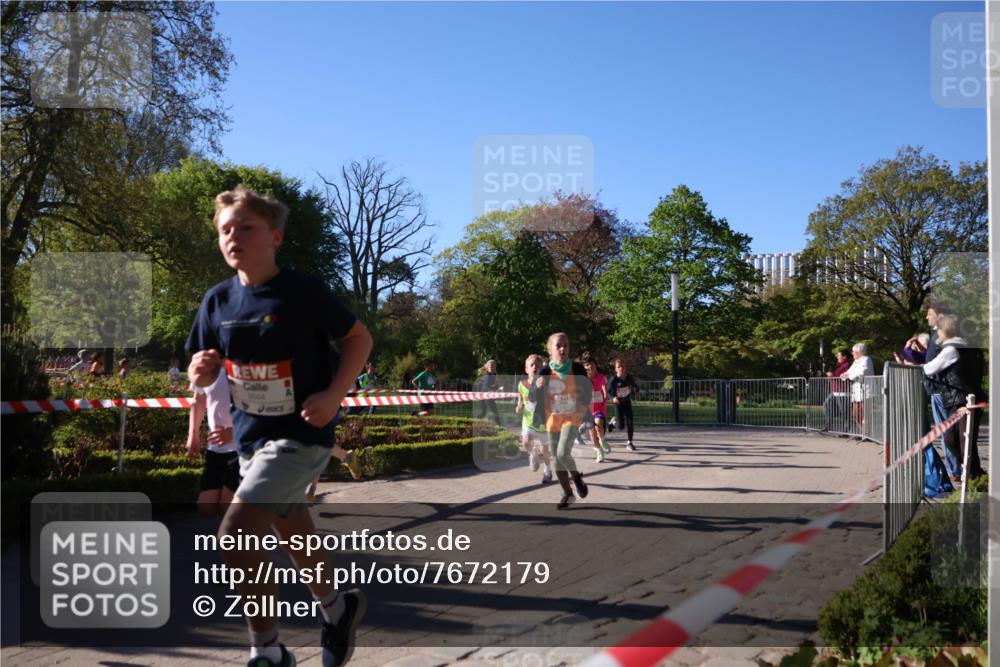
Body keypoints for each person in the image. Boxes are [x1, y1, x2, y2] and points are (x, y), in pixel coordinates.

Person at [186, 185, 373, 667]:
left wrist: (334, 395)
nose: (234, 236)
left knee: (235, 534)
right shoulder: (216, 301)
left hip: (302, 435)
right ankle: (338, 609)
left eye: (245, 227)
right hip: (251, 440)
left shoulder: (301, 291)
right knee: (296, 535)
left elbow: (358, 338)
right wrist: (200, 372)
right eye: (225, 229)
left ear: (275, 236)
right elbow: (203, 366)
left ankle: (267, 650)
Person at [528, 332, 591, 509]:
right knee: (555, 459)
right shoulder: (545, 371)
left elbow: (587, 389)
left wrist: (584, 407)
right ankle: (568, 494)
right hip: (552, 419)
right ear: (550, 350)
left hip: (572, 417)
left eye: (566, 346)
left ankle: (577, 478)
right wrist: (537, 387)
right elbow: (532, 397)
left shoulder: (577, 369)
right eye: (558, 346)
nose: (563, 349)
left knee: (563, 452)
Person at [922, 314, 985, 483]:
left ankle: (974, 478)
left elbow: (929, 369)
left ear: (946, 331)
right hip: (961, 400)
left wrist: (918, 367)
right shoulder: (967, 347)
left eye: (939, 330)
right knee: (953, 439)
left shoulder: (951, 349)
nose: (938, 335)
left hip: (962, 400)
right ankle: (976, 474)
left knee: (964, 443)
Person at [186, 369, 239, 515]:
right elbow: (198, 400)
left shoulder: (248, 364)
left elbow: (264, 411)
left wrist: (235, 433)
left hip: (242, 449)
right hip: (215, 449)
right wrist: (193, 434)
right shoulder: (207, 364)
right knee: (206, 507)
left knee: (228, 507)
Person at [515, 354, 553, 484]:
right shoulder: (521, 384)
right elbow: (521, 397)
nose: (534, 367)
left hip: (543, 422)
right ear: (526, 369)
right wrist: (519, 405)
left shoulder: (545, 383)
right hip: (528, 421)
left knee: (545, 449)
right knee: (525, 442)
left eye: (537, 365)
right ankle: (533, 454)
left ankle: (547, 470)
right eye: (531, 365)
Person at [607, 358, 640, 451]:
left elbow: (635, 385)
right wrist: (613, 398)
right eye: (619, 367)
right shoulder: (614, 380)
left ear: (625, 368)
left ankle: (629, 442)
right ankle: (612, 424)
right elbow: (608, 392)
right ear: (616, 369)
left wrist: (637, 390)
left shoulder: (629, 377)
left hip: (627, 402)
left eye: (623, 366)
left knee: (630, 422)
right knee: (620, 426)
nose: (621, 368)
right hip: (618, 403)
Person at [841, 343, 873, 433]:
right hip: (856, 392)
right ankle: (863, 432)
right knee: (856, 414)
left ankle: (866, 434)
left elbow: (862, 371)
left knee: (865, 414)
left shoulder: (866, 359)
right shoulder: (856, 361)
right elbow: (849, 371)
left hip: (866, 391)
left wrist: (849, 376)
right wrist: (844, 375)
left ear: (859, 352)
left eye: (853, 351)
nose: (852, 353)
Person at [583, 357, 610, 462]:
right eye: (587, 366)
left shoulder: (601, 377)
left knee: (598, 424)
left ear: (595, 366)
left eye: (591, 365)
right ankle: (599, 451)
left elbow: (604, 386)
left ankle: (602, 440)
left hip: (599, 407)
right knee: (592, 433)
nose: (589, 367)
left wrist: (605, 394)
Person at [820, 350, 851, 432]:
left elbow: (845, 376)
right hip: (835, 391)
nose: (837, 357)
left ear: (844, 357)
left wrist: (832, 375)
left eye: (839, 355)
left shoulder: (847, 365)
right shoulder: (838, 365)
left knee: (844, 412)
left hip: (843, 392)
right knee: (826, 405)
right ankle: (828, 425)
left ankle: (845, 431)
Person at [473, 359, 503, 426]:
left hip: (486, 396)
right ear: (487, 367)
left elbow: (489, 385)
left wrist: (496, 387)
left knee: (483, 412)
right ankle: (499, 426)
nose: (493, 368)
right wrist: (492, 389)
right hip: (485, 396)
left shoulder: (493, 374)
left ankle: (474, 422)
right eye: (491, 366)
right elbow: (485, 386)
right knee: (493, 411)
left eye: (494, 366)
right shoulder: (487, 375)